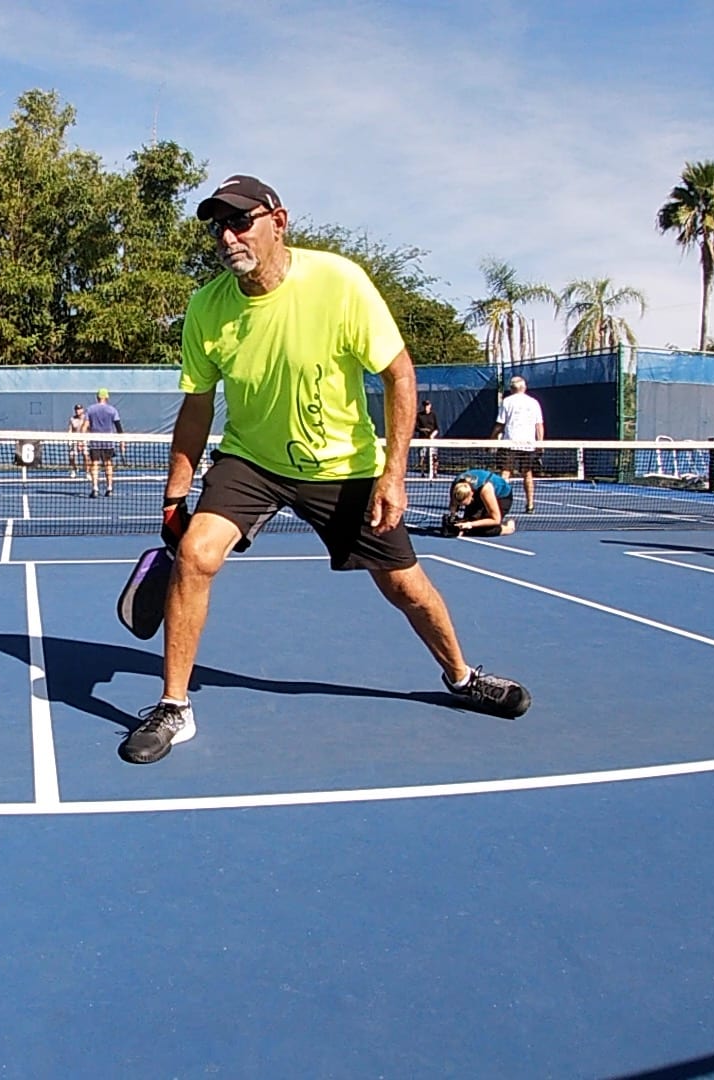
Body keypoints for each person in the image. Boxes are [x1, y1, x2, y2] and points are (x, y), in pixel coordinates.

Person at [120, 174, 529, 765]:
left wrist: (393, 475)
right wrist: (175, 494)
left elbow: (399, 375)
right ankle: (174, 707)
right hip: (251, 459)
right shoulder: (207, 308)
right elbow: (198, 404)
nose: (228, 235)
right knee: (195, 554)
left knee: (404, 586)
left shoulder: (339, 282)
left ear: (277, 221)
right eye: (219, 225)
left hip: (344, 464)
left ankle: (462, 678)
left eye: (241, 221)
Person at [490, 376, 545, 513]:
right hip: (524, 444)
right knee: (527, 473)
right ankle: (530, 505)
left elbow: (499, 425)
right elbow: (539, 426)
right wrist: (540, 443)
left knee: (505, 474)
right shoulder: (534, 403)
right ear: (524, 388)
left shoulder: (507, 401)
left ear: (511, 388)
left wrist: (491, 439)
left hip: (511, 444)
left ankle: (497, 504)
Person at [443, 468, 517, 537]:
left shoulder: (485, 489)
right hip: (478, 494)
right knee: (468, 527)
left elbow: (495, 519)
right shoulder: (456, 486)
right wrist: (453, 518)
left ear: (471, 495)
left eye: (465, 504)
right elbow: (453, 505)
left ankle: (508, 528)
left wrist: (470, 524)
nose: (462, 506)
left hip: (502, 496)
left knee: (485, 530)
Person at [83, 388, 123, 498]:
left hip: (95, 441)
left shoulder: (90, 409)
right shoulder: (112, 410)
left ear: (97, 397)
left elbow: (85, 426)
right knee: (108, 464)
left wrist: (80, 439)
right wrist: (122, 441)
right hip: (108, 442)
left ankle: (95, 488)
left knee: (95, 464)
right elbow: (118, 427)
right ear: (106, 397)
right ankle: (109, 488)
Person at [411, 398, 440, 474]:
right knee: (422, 457)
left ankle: (435, 472)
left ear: (430, 406)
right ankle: (422, 472)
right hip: (422, 440)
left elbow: (437, 428)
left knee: (434, 457)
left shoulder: (433, 415)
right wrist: (423, 430)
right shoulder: (419, 415)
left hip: (432, 440)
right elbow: (416, 428)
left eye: (427, 405)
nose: (426, 407)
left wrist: (432, 435)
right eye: (424, 405)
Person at [66, 403, 89, 477]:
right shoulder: (72, 419)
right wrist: (70, 440)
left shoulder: (86, 419)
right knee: (72, 456)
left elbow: (89, 429)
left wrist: (82, 441)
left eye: (79, 409)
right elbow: (70, 430)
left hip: (84, 440)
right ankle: (74, 470)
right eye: (76, 409)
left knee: (86, 456)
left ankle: (87, 472)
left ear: (82, 410)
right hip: (75, 440)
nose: (78, 411)